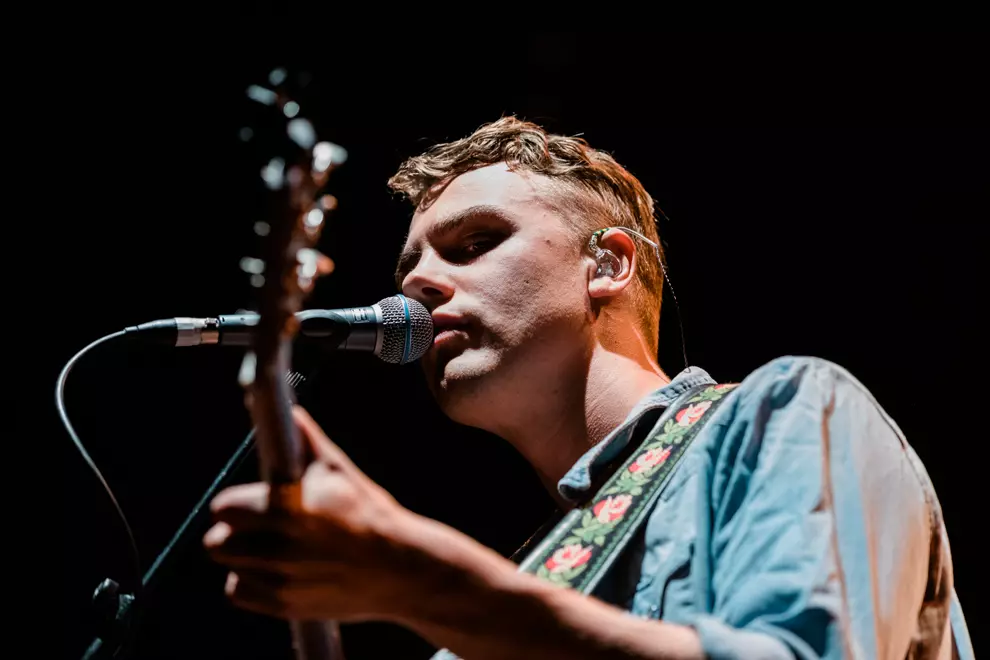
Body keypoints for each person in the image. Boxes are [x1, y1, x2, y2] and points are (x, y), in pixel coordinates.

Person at [203, 117, 973, 659]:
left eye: (475, 243)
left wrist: (430, 585)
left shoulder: (785, 412)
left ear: (607, 265)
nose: (420, 284)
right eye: (408, 269)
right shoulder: (519, 597)